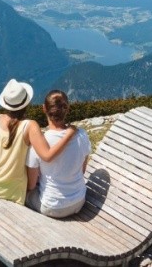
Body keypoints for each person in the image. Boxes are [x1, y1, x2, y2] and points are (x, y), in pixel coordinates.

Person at [0, 79, 77, 205]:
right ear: (26, 103)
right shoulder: (30, 126)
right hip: (10, 192)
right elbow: (47, 155)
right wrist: (69, 133)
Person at [25, 89, 91, 218]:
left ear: (44, 108)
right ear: (67, 108)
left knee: (25, 195)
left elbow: (31, 185)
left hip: (52, 207)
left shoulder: (39, 144)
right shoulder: (82, 135)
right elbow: (82, 171)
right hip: (79, 201)